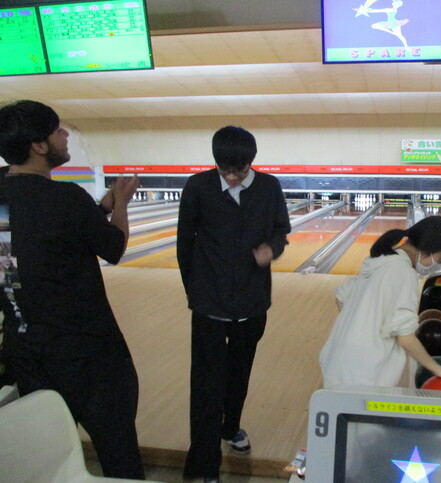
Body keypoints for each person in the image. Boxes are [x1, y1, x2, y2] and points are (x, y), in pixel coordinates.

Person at [0, 100, 144, 478]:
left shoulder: (6, 190)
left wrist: (99, 208)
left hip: (25, 353)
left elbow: (34, 230)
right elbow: (113, 247)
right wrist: (120, 204)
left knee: (44, 459)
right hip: (87, 356)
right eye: (57, 130)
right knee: (118, 455)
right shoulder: (66, 198)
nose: (65, 135)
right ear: (38, 145)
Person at [177, 125, 290, 482]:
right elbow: (184, 243)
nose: (230, 177)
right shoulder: (198, 187)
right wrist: (195, 292)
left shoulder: (269, 187)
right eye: (223, 169)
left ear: (251, 162)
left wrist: (272, 249)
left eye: (238, 170)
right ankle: (203, 466)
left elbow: (281, 230)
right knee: (206, 386)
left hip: (252, 303)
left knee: (239, 374)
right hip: (209, 305)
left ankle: (231, 429)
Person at [320, 215, 441, 388]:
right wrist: (437, 368)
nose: (439, 265)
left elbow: (341, 298)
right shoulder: (403, 272)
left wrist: (360, 326)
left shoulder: (380, 260)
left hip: (338, 361)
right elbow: (405, 338)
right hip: (364, 373)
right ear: (428, 249)